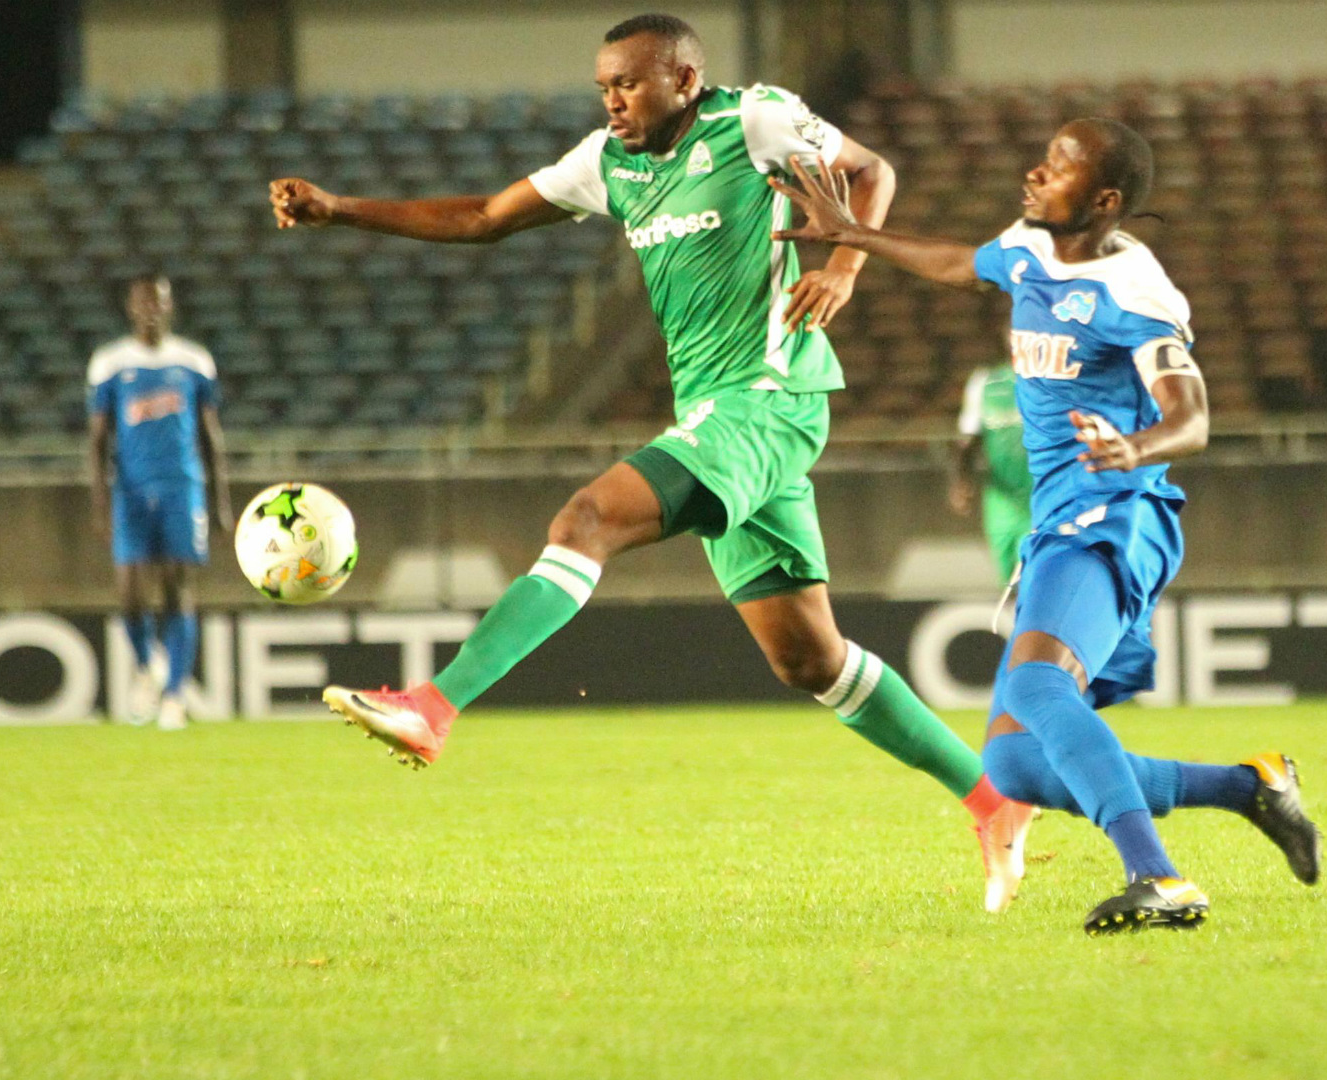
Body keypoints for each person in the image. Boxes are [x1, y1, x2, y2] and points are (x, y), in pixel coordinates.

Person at [268, 13, 1034, 909]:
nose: (612, 102)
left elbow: (872, 171)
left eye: (627, 85)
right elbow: (482, 217)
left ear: (684, 76)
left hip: (769, 401)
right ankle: (995, 801)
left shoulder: (752, 123)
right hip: (721, 416)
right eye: (603, 87)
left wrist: (845, 267)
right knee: (809, 661)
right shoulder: (608, 161)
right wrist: (340, 209)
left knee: (584, 521)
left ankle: (432, 709)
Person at [770, 118, 1321, 934]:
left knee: (1035, 688)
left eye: (1057, 167)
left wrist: (1134, 445)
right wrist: (855, 235)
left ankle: (1158, 878)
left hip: (1115, 515)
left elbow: (1192, 416)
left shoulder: (1136, 291)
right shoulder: (1030, 243)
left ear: (1103, 200)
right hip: (1058, 522)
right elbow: (965, 267)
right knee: (1014, 761)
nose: (1033, 172)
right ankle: (1253, 788)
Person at [86, 275, 232, 730]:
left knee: (177, 589)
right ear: (130, 308)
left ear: (170, 307)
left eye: (159, 301)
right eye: (143, 302)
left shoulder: (193, 361)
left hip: (181, 487)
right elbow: (96, 441)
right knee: (129, 593)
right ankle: (149, 665)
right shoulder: (110, 363)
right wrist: (99, 503)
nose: (151, 309)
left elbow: (211, 435)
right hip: (130, 490)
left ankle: (173, 698)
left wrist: (220, 497)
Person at [951, 361, 1031, 583]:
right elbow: (968, 438)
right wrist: (961, 480)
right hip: (1001, 497)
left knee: (1038, 575)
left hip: (1041, 494)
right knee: (1009, 580)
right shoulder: (986, 383)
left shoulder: (1050, 379)